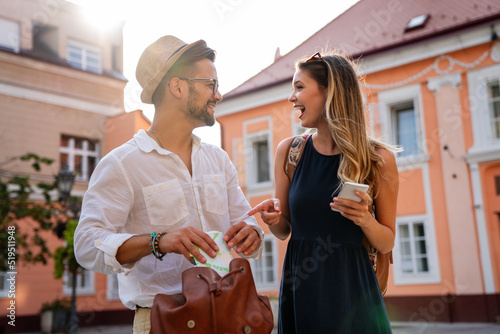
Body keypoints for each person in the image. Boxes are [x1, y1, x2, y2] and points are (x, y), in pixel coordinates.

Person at [74, 35, 264, 334]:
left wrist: (252, 231)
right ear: (178, 87)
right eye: (210, 85)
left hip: (229, 314)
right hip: (163, 321)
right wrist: (159, 241)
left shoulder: (218, 159)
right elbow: (86, 244)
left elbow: (244, 219)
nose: (219, 95)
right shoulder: (122, 164)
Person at [248, 51, 399, 333]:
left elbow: (387, 242)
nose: (292, 97)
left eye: (299, 87)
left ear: (329, 92)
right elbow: (284, 231)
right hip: (301, 292)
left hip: (355, 294)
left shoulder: (378, 159)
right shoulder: (290, 151)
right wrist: (273, 218)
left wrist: (365, 219)